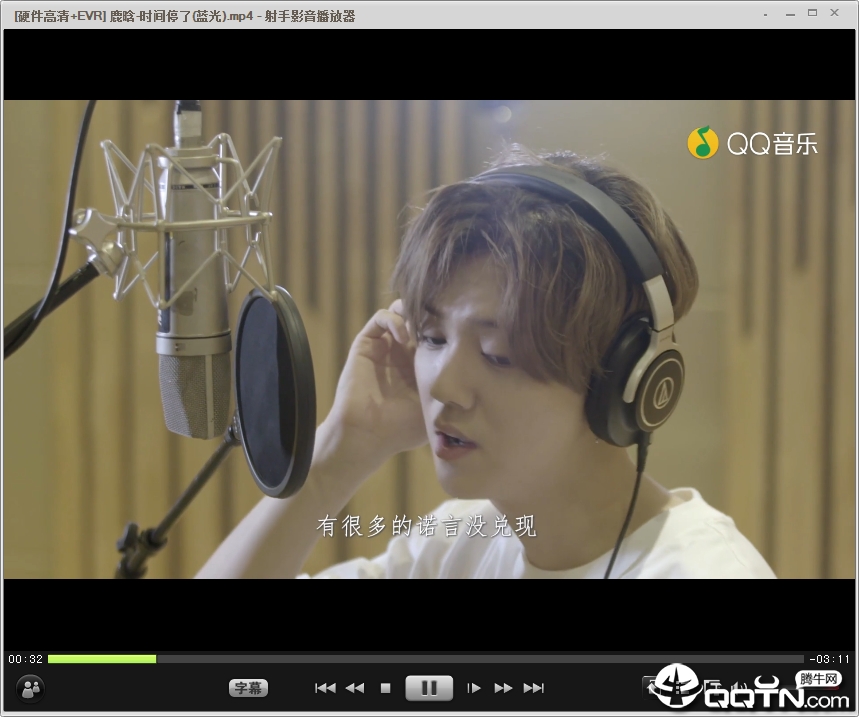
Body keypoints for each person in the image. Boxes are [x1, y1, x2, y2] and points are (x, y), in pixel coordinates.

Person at [196, 145, 776, 579]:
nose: (444, 387)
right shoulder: (460, 543)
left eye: (499, 356)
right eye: (431, 337)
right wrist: (336, 455)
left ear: (623, 379)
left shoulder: (699, 573)